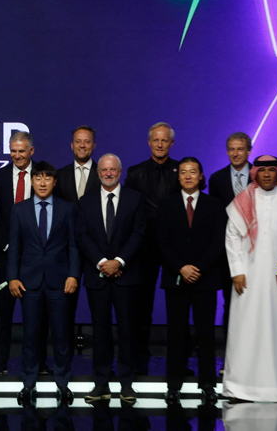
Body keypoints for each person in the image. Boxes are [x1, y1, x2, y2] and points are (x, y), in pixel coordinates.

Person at [223, 156, 277, 402]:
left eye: (271, 170)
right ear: (255, 173)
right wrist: (236, 270)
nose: (267, 174)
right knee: (245, 331)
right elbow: (232, 237)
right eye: (262, 170)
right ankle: (240, 387)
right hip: (247, 279)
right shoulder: (242, 202)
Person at [75, 154, 146, 403]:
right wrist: (102, 263)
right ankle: (101, 383)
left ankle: (126, 384)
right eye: (104, 169)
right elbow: (82, 235)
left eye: (113, 169)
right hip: (98, 276)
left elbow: (139, 234)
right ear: (98, 173)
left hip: (126, 275)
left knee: (127, 332)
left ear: (120, 171)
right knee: (101, 332)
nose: (108, 173)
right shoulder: (85, 202)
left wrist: (119, 262)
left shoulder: (135, 199)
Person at [8, 161, 80, 407]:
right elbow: (15, 248)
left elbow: (73, 245)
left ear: (55, 182)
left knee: (61, 336)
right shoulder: (19, 210)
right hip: (29, 282)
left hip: (60, 281)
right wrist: (12, 277)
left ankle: (63, 384)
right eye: (37, 178)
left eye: (47, 178)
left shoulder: (67, 209)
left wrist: (74, 275)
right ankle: (28, 385)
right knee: (30, 336)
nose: (41, 182)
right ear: (31, 181)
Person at [156, 157, 226, 405]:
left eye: (192, 172)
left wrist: (197, 268)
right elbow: (162, 242)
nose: (187, 176)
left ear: (200, 176)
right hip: (176, 278)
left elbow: (218, 243)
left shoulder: (215, 205)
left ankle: (207, 384)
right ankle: (173, 384)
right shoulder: (166, 205)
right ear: (178, 177)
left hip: (204, 279)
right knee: (176, 334)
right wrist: (181, 267)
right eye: (183, 172)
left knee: (206, 334)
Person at [124, 121, 179, 375]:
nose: (159, 144)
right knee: (140, 309)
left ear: (171, 143)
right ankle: (138, 361)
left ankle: (178, 363)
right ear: (149, 142)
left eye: (164, 140)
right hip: (142, 249)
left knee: (178, 309)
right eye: (155, 140)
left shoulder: (182, 171)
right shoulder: (135, 174)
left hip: (174, 250)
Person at [54, 126, 101, 364]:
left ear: (93, 145)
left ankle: (101, 366)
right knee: (64, 312)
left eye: (87, 142)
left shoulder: (104, 174)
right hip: (65, 252)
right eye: (78, 142)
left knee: (100, 312)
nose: (82, 145)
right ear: (71, 145)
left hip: (97, 252)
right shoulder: (59, 176)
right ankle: (64, 365)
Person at [0, 131, 36, 375]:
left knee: (37, 314)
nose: (17, 155)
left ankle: (38, 364)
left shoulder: (43, 175)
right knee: (3, 313)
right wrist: (8, 244)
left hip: (36, 257)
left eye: (21, 150)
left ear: (31, 151)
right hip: (6, 254)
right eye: (13, 150)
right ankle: (0, 363)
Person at [208, 132, 252, 339]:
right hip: (229, 252)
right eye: (232, 149)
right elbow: (215, 218)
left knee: (256, 304)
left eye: (240, 149)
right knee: (230, 302)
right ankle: (231, 356)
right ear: (227, 152)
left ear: (249, 151)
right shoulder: (216, 179)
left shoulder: (261, 175)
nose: (235, 153)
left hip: (256, 251)